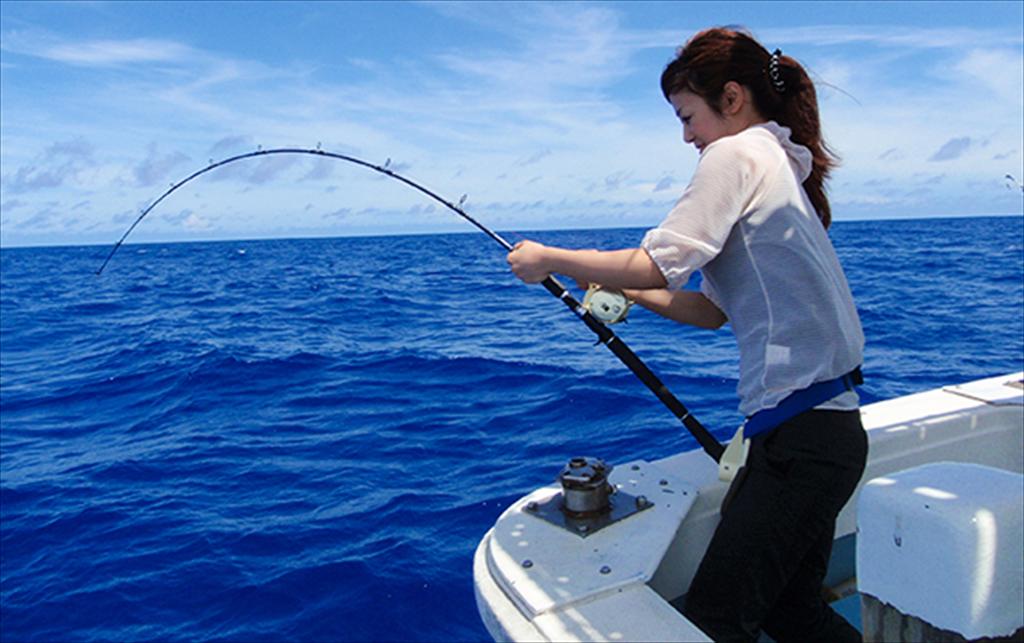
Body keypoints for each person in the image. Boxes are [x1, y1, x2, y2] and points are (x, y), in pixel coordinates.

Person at [507, 27, 867, 643]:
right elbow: (710, 311)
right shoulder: (775, 162)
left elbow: (656, 260)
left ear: (731, 98)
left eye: (688, 116)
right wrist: (630, 292)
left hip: (801, 442)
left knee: (715, 623)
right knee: (789, 611)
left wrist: (552, 258)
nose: (686, 135)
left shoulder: (735, 155)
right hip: (821, 434)